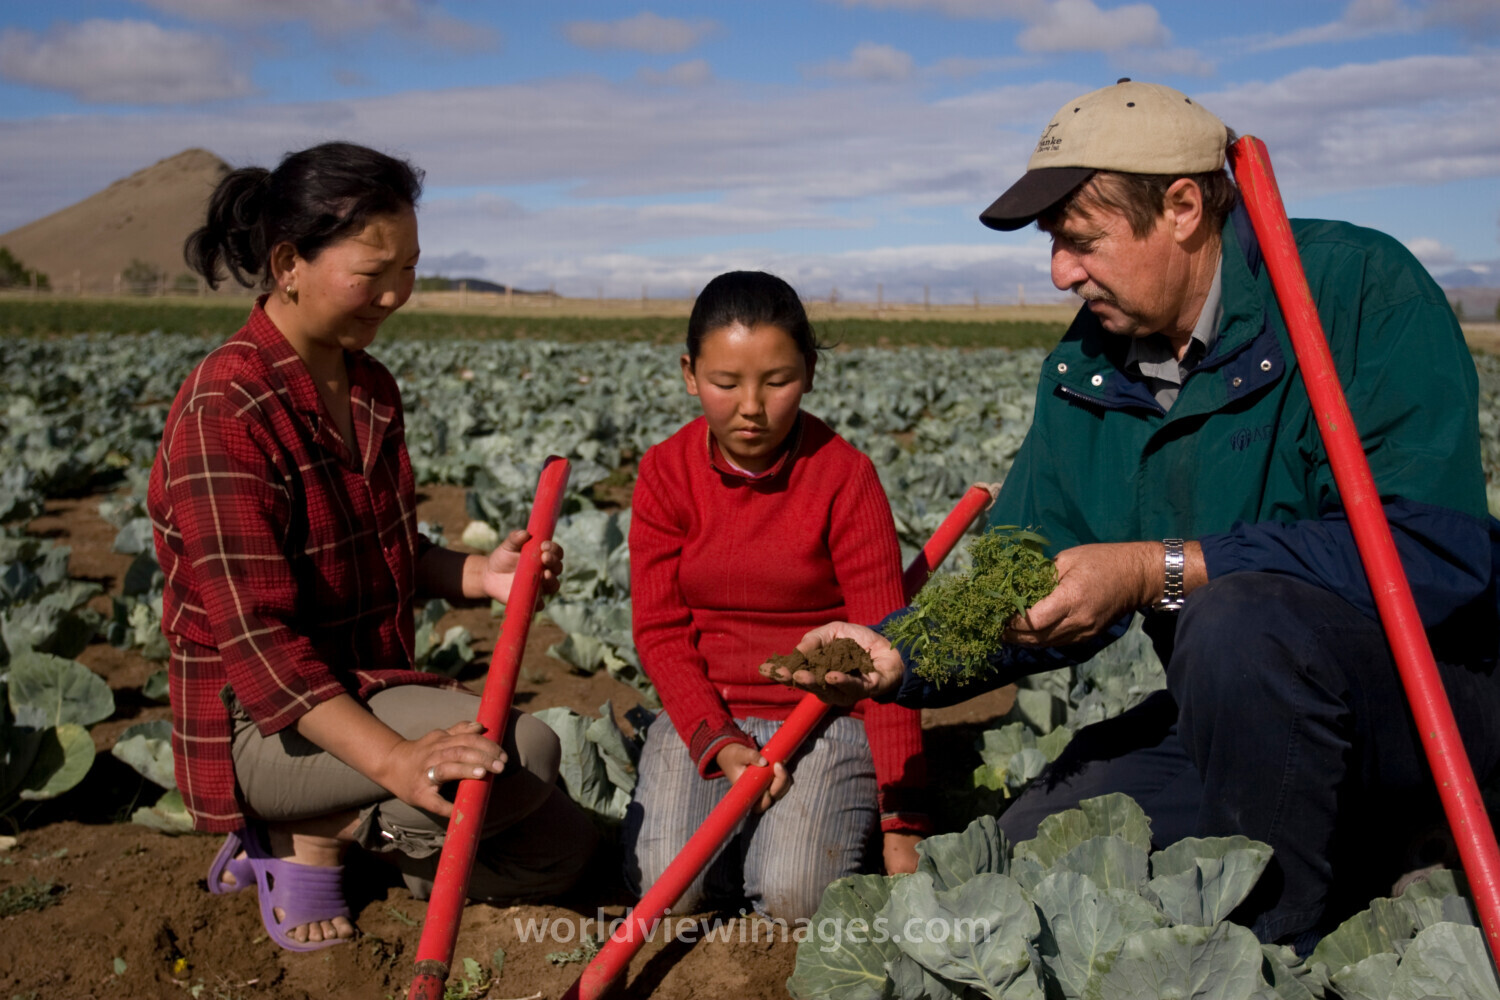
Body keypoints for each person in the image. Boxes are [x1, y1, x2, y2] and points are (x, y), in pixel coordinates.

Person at [768, 80, 1500, 950]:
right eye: (1053, 245)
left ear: (1183, 207)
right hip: (1243, 723)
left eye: (1081, 241)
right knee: (1029, 857)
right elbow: (1023, 580)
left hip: (1432, 710)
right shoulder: (1088, 367)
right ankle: (1368, 854)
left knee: (1236, 623)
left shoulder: (1356, 291)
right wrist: (900, 655)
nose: (1060, 273)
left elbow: (1434, 553)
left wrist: (1162, 569)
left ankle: (1279, 949)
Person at [147, 141, 595, 952]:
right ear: (289, 262)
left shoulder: (368, 385)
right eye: (371, 271)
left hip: (365, 682)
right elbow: (262, 644)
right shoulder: (227, 407)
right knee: (524, 749)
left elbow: (384, 543)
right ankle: (303, 833)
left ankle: (363, 836)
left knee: (563, 852)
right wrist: (393, 762)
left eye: (410, 268)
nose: (394, 294)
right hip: (265, 721)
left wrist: (476, 574)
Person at [622, 270, 931, 922]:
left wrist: (903, 820)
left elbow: (885, 645)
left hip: (823, 718)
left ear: (811, 372)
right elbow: (659, 632)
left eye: (778, 381)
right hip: (709, 712)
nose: (751, 407)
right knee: (668, 892)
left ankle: (777, 845)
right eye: (725, 384)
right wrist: (722, 744)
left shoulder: (845, 477)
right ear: (689, 373)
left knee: (795, 898)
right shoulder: (665, 473)